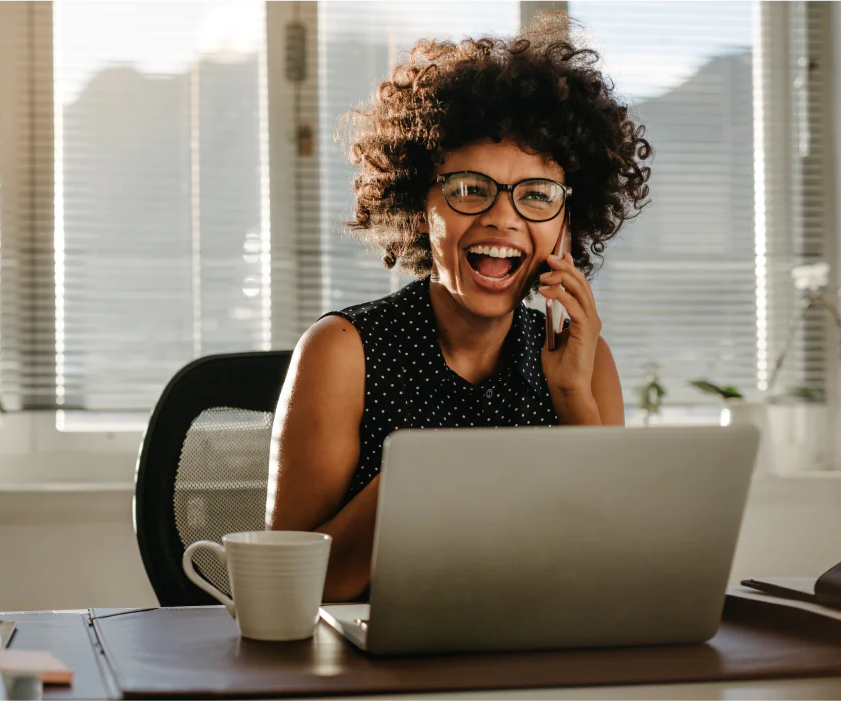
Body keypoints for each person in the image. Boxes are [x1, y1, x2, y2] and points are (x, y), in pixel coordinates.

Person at [266, 16, 653, 602]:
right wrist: (424, 477)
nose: (503, 218)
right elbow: (288, 591)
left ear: (566, 225)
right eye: (469, 189)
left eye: (537, 196)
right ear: (422, 204)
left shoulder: (586, 364)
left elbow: (611, 578)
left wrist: (573, 398)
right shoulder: (343, 351)